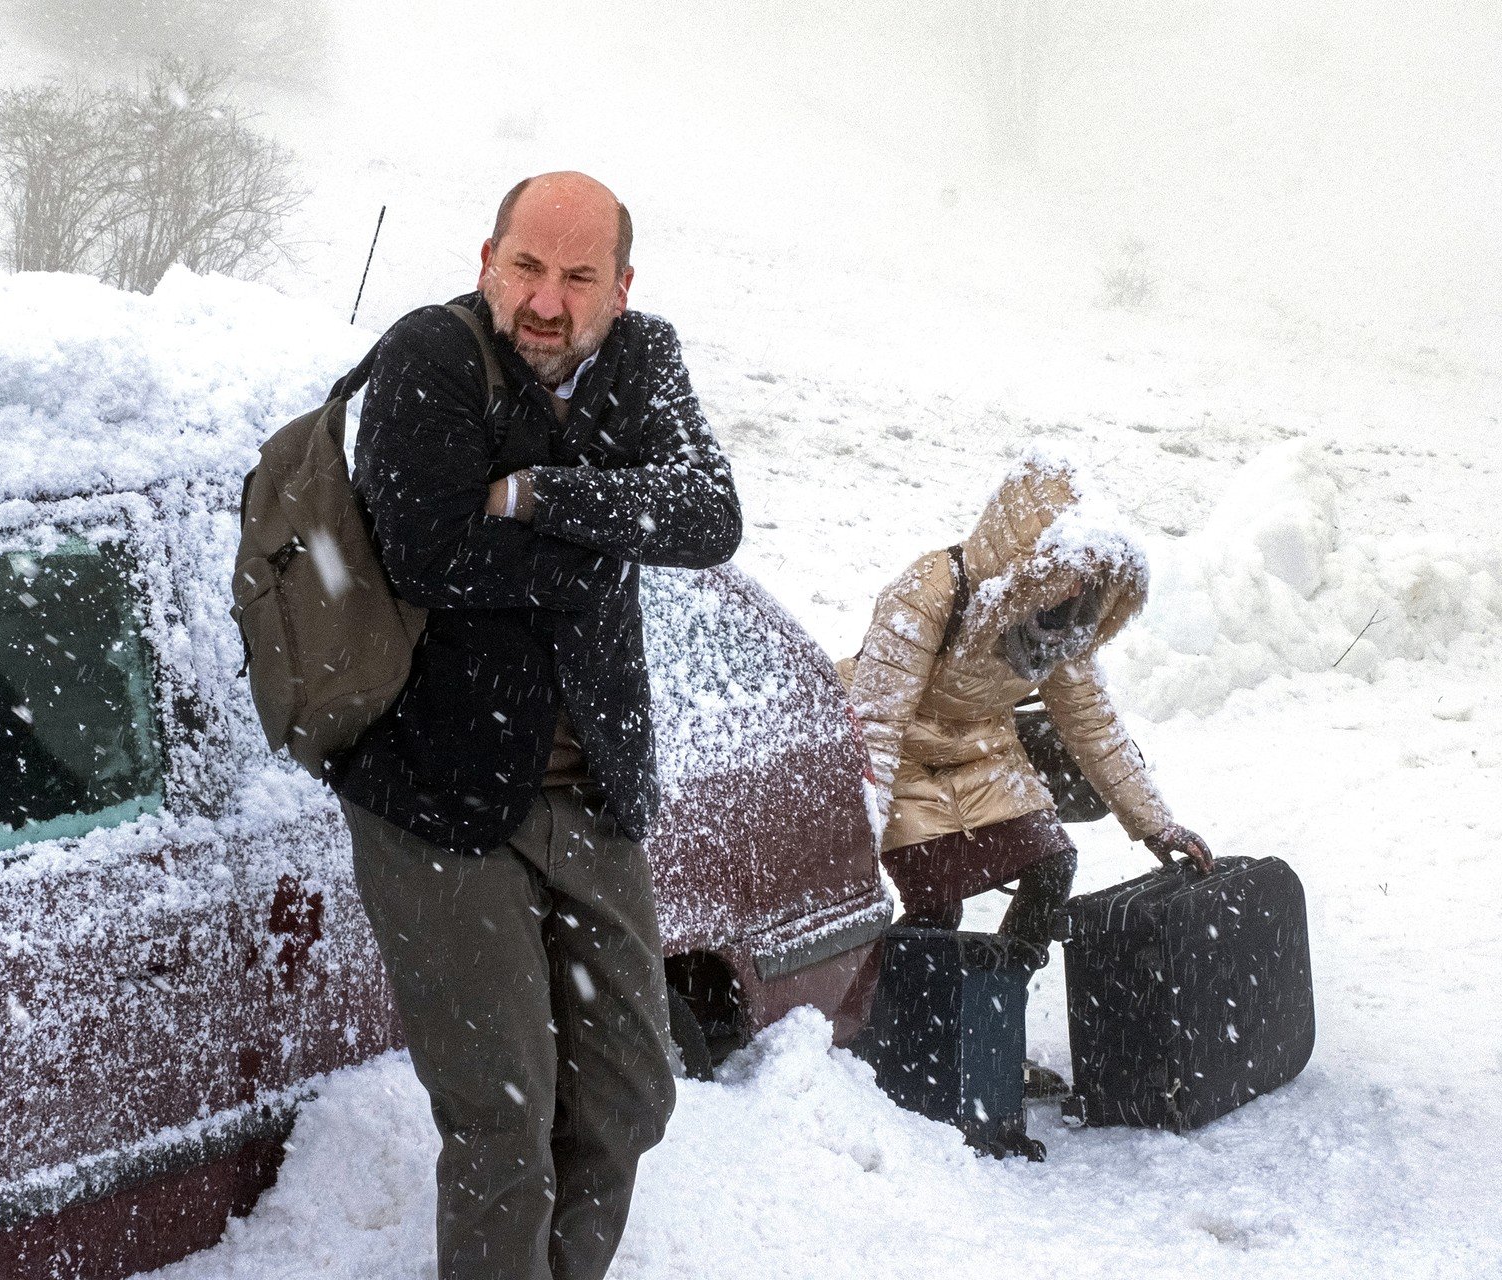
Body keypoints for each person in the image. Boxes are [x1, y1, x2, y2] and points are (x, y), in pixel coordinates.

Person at [325, 172, 741, 1280]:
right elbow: (428, 553)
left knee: (628, 1090)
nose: (546, 302)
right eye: (527, 267)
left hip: (589, 788)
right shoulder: (430, 360)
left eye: (577, 276)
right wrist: (603, 532)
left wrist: (538, 495)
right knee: (503, 1116)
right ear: (486, 260)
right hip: (440, 799)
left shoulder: (644, 359)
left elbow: (708, 515)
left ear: (621, 287)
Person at [838, 452, 1212, 955]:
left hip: (981, 746)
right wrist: (857, 839)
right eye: (1070, 572)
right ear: (1029, 557)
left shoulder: (1066, 618)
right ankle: (901, 1013)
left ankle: (1001, 990)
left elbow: (1093, 725)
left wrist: (1156, 825)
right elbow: (876, 727)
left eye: (1090, 575)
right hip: (900, 753)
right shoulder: (926, 593)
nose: (1079, 587)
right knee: (936, 902)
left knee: (1052, 865)